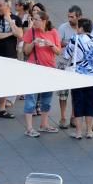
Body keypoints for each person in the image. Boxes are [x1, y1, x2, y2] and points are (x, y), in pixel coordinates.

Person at [21, 9, 62, 137]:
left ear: (44, 21)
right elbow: (26, 52)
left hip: (49, 69)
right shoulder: (31, 32)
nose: (33, 21)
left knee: (47, 98)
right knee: (30, 98)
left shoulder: (53, 32)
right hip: (33, 68)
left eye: (36, 19)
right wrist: (33, 43)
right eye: (33, 19)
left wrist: (50, 44)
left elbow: (58, 51)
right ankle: (29, 128)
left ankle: (44, 124)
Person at [63, 17, 93, 140]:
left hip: (78, 76)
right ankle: (89, 130)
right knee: (91, 103)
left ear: (80, 28)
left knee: (78, 102)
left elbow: (66, 55)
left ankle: (79, 132)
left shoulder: (75, 39)